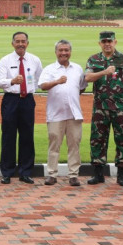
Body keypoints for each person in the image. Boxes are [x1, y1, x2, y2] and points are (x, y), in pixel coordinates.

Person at [84, 31, 123, 186]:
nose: (107, 44)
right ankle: (98, 173)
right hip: (100, 107)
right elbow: (88, 77)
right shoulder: (94, 59)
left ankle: (121, 174)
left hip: (121, 107)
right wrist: (104, 72)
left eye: (110, 41)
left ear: (115, 42)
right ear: (99, 43)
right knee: (97, 139)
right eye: (104, 41)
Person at [0, 31, 42, 184]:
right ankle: (7, 172)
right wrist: (12, 81)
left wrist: (28, 89)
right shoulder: (5, 60)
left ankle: (26, 172)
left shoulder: (35, 60)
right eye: (17, 41)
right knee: (8, 136)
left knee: (27, 136)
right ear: (12, 43)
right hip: (11, 99)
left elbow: (38, 80)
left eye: (23, 41)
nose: (20, 44)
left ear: (27, 43)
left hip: (27, 100)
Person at [38, 39, 85, 187]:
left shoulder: (77, 69)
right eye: (61, 50)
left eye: (66, 50)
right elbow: (42, 86)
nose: (64, 53)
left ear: (70, 52)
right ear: (56, 52)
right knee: (54, 144)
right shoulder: (49, 69)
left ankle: (73, 175)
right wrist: (57, 82)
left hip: (74, 113)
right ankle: (52, 174)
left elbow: (82, 87)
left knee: (74, 144)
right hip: (55, 114)